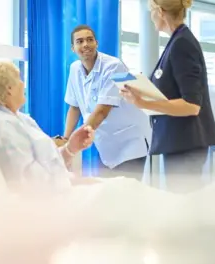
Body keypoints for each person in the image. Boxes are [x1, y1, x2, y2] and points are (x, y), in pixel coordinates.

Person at [119, 0, 215, 193]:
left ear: (160, 12)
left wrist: (142, 102)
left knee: (183, 208)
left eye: (151, 12)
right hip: (179, 142)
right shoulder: (177, 41)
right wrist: (142, 92)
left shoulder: (182, 44)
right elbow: (173, 91)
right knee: (180, 206)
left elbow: (191, 105)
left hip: (186, 144)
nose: (151, 17)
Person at [0, 61, 97, 191]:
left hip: (60, 189)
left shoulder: (21, 119)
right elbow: (28, 182)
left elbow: (45, 163)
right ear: (9, 88)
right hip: (51, 200)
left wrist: (70, 148)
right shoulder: (1, 126)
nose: (23, 84)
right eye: (19, 79)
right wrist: (76, 183)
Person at [63, 24, 152, 180]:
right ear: (73, 48)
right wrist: (65, 139)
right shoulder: (75, 69)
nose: (85, 45)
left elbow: (102, 111)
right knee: (108, 198)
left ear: (96, 43)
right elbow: (74, 107)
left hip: (131, 142)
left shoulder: (114, 66)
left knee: (126, 197)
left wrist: (72, 147)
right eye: (80, 41)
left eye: (89, 40)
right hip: (106, 146)